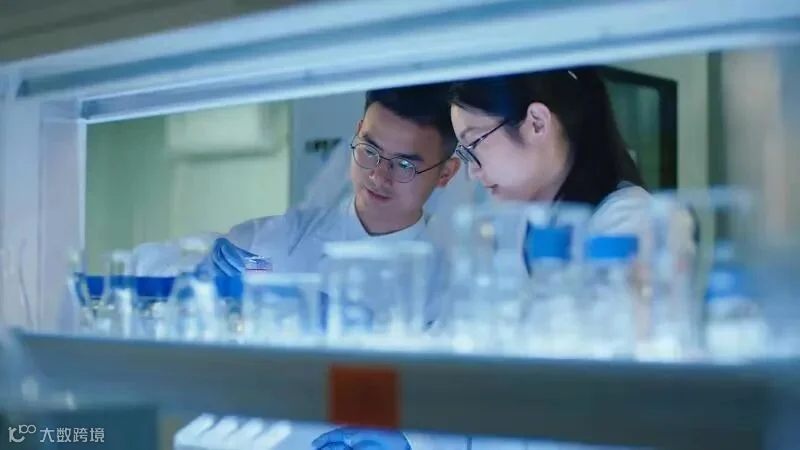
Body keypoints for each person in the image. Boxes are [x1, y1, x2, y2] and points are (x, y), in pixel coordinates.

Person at [448, 66, 652, 242]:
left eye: (474, 142)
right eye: (465, 152)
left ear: (537, 123)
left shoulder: (627, 221)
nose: (473, 171)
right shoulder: (527, 224)